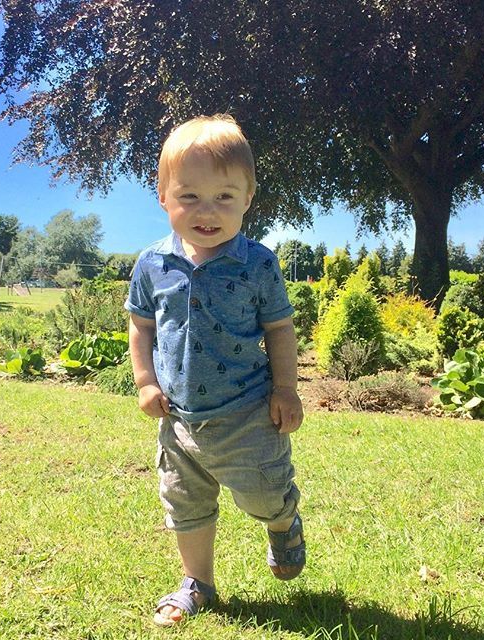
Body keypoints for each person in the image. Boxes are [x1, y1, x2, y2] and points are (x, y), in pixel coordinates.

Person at [125, 114, 305, 627]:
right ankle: (197, 582)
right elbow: (141, 326)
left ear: (248, 198)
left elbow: (279, 329)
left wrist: (286, 389)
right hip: (179, 417)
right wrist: (145, 381)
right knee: (184, 503)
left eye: (224, 197)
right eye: (190, 196)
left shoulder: (258, 263)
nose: (207, 211)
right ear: (163, 196)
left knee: (264, 495)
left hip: (248, 412)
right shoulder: (152, 264)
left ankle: (284, 523)